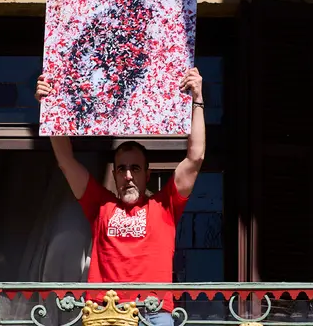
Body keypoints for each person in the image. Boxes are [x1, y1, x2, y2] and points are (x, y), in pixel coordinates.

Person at [35, 67, 206, 326]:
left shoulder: (164, 205)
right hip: (106, 313)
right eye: (122, 169)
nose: (128, 176)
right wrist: (50, 105)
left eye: (135, 168)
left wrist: (197, 100)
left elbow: (195, 158)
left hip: (154, 311)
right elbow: (66, 161)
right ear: (114, 174)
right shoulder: (100, 204)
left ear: (147, 174)